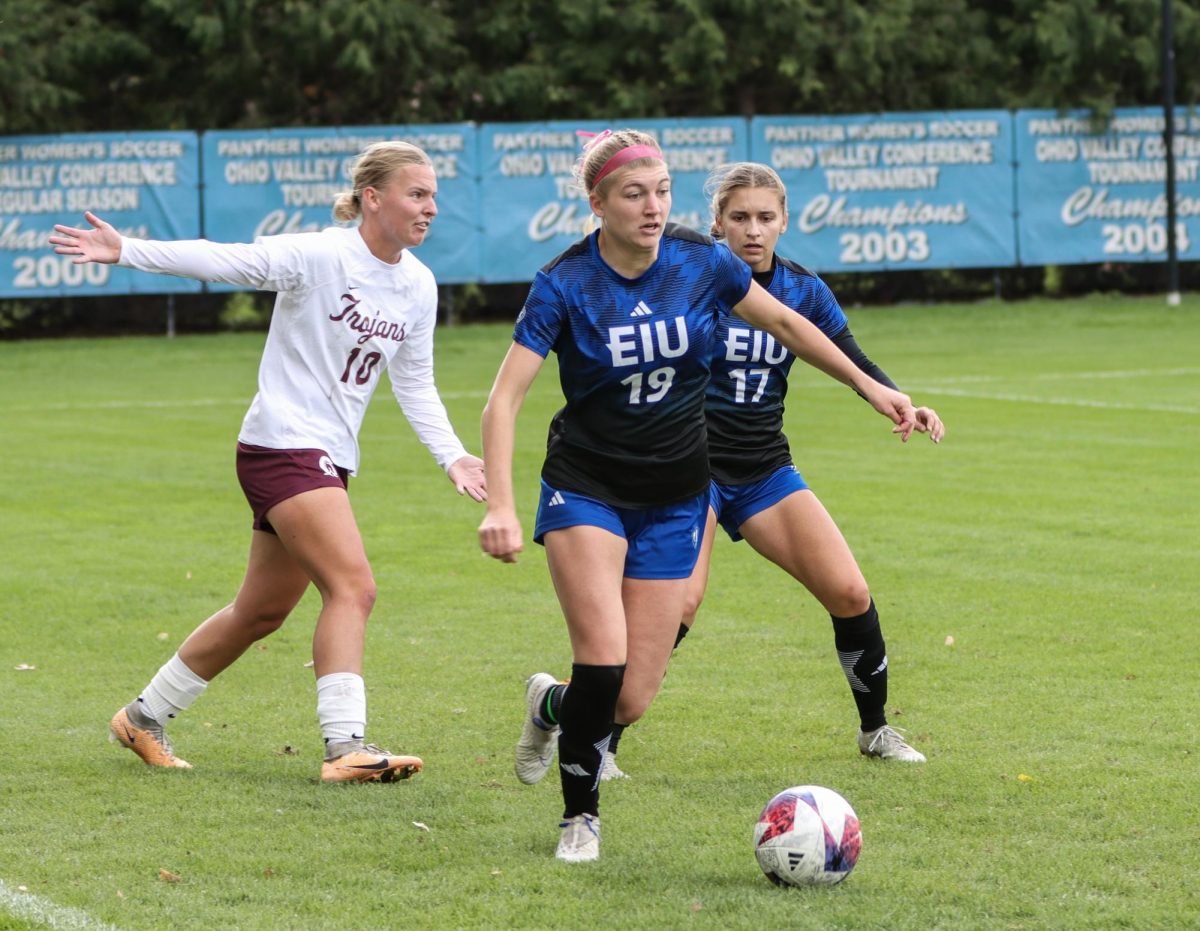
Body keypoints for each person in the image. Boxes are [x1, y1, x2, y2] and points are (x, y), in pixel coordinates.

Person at [477, 130, 920, 863]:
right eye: (633, 195)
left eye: (661, 193)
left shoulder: (700, 261)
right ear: (597, 203)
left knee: (629, 698)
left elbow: (785, 320)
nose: (652, 209)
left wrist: (873, 387)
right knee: (603, 658)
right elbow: (504, 399)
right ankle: (579, 817)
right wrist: (500, 502)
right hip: (587, 488)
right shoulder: (564, 283)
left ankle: (548, 704)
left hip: (678, 494)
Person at [49, 141, 486, 783]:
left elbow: (414, 383)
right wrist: (129, 250)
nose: (431, 208)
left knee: (261, 611)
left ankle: (142, 717)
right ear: (373, 197)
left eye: (433, 196)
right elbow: (229, 261)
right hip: (282, 443)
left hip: (327, 457)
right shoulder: (320, 254)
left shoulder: (418, 284)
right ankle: (346, 747)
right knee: (353, 587)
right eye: (417, 194)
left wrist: (451, 455)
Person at [598, 162, 944, 782]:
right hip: (685, 472)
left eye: (764, 217)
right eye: (739, 218)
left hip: (763, 469)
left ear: (784, 221)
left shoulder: (803, 291)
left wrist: (896, 397)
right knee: (680, 603)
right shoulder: (690, 277)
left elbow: (847, 355)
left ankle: (876, 730)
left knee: (848, 591)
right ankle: (601, 738)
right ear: (718, 224)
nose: (752, 230)